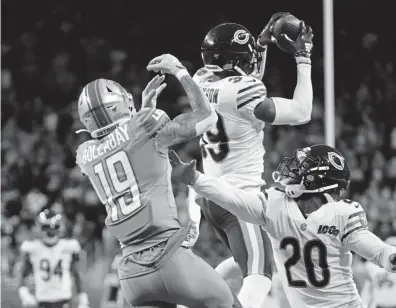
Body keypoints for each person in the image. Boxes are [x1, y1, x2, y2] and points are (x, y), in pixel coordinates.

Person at [75, 54, 241, 308]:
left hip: (132, 275)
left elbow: (122, 149)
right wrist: (180, 71)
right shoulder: (146, 125)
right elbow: (207, 117)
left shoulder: (85, 154)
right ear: (120, 105)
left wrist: (141, 114)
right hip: (170, 258)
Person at [169, 144, 396, 308]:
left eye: (302, 168)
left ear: (317, 179)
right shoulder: (275, 204)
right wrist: (195, 179)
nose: (293, 171)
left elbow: (374, 248)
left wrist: (392, 256)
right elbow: (233, 197)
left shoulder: (342, 213)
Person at [187, 13, 314, 308]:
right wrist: (303, 58)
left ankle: (194, 299)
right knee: (260, 276)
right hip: (240, 198)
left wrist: (262, 45)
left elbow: (242, 83)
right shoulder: (244, 92)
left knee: (256, 254)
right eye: (246, 57)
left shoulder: (200, 80)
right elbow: (301, 112)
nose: (252, 60)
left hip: (212, 194)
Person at [18, 209, 89, 308]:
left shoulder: (69, 246)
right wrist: (24, 293)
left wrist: (83, 299)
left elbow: (77, 273)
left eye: (54, 227)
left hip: (64, 300)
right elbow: (22, 274)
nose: (50, 230)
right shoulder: (32, 248)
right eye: (47, 227)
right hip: (42, 301)